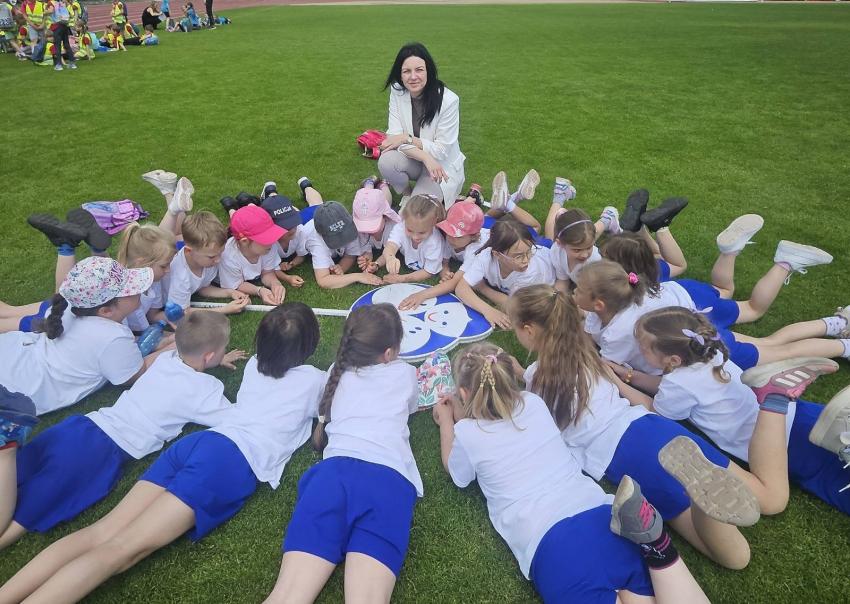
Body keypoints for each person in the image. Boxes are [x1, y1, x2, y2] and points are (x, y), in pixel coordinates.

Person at [0, 304, 323, 604]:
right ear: (308, 345)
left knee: (101, 533)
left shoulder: (254, 364)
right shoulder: (315, 381)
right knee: (120, 550)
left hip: (200, 444)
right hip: (229, 458)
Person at [506, 287, 779, 569]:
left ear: (529, 330)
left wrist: (520, 378)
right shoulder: (588, 355)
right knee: (771, 499)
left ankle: (699, 501)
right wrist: (522, 372)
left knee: (736, 559)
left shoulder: (539, 379)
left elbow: (547, 423)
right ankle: (775, 403)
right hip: (654, 428)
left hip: (626, 455)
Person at [433, 342, 715, 602]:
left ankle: (658, 547)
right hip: (601, 513)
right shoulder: (533, 403)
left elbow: (457, 473)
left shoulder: (466, 433)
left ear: (464, 394)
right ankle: (660, 548)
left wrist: (447, 422)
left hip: (550, 542)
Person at [0, 311, 244, 558]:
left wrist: (213, 359)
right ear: (209, 356)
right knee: (33, 509)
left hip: (81, 427)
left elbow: (190, 361)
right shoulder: (205, 389)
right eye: (222, 349)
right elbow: (235, 417)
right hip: (101, 452)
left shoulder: (166, 359)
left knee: (13, 475)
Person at [623, 306, 850, 514]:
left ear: (673, 359)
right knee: (830, 460)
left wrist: (620, 383)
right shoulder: (711, 353)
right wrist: (631, 377)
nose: (639, 351)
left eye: (643, 348)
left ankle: (780, 402)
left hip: (772, 437)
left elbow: (656, 408)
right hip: (796, 417)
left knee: (824, 464)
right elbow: (667, 394)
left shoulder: (678, 383)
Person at [265, 304, 422, 604]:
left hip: (332, 476)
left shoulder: (334, 373)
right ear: (389, 353)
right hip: (387, 481)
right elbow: (411, 406)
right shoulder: (405, 373)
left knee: (287, 596)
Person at [0, 257, 161, 416]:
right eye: (131, 290)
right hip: (21, 388)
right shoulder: (113, 337)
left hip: (16, 356)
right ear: (106, 311)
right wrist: (174, 344)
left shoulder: (70, 305)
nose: (139, 290)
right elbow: (135, 374)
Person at [378, 43, 465, 208]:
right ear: (400, 74)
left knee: (416, 212)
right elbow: (393, 139)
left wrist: (406, 138)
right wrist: (424, 157)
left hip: (440, 167)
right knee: (386, 161)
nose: (413, 77)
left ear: (428, 71)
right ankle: (407, 194)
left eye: (419, 70)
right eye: (406, 71)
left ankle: (431, 194)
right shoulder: (397, 91)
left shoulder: (449, 101)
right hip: (419, 159)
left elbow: (441, 151)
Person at [454, 216, 554, 329]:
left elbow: (515, 306)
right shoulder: (486, 256)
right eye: (518, 256)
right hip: (535, 248)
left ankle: (557, 208)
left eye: (529, 252)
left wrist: (482, 288)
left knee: (550, 240)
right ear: (497, 254)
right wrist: (488, 310)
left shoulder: (530, 271)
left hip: (548, 254)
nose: (526, 260)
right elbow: (461, 288)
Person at [397, 199, 488, 311]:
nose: (451, 238)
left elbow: (455, 283)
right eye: (449, 232)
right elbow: (444, 262)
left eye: (458, 236)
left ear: (474, 236)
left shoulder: (476, 250)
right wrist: (445, 273)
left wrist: (422, 295)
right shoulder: (450, 238)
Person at [162, 210, 250, 314]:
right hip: (160, 305)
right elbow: (182, 312)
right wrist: (223, 310)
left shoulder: (206, 261)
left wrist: (230, 292)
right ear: (189, 251)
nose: (218, 260)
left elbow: (202, 287)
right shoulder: (180, 276)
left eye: (221, 253)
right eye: (212, 256)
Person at [218, 205, 287, 306]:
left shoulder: (267, 247)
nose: (272, 241)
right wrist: (259, 290)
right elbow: (236, 284)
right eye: (266, 238)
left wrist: (275, 284)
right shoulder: (228, 256)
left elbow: (267, 272)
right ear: (244, 242)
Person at [379, 194, 445, 284]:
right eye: (409, 230)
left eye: (422, 232)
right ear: (404, 220)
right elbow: (391, 245)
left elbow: (429, 271)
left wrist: (402, 278)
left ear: (434, 224)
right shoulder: (401, 227)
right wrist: (390, 257)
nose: (415, 237)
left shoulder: (434, 242)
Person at [352, 176, 402, 274]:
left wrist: (377, 264)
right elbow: (366, 249)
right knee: (367, 199)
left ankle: (383, 185)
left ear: (385, 216)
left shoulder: (393, 229)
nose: (367, 230)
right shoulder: (360, 230)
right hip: (365, 210)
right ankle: (369, 183)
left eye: (372, 225)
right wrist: (367, 257)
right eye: (364, 226)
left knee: (386, 201)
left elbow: (389, 252)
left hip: (379, 209)